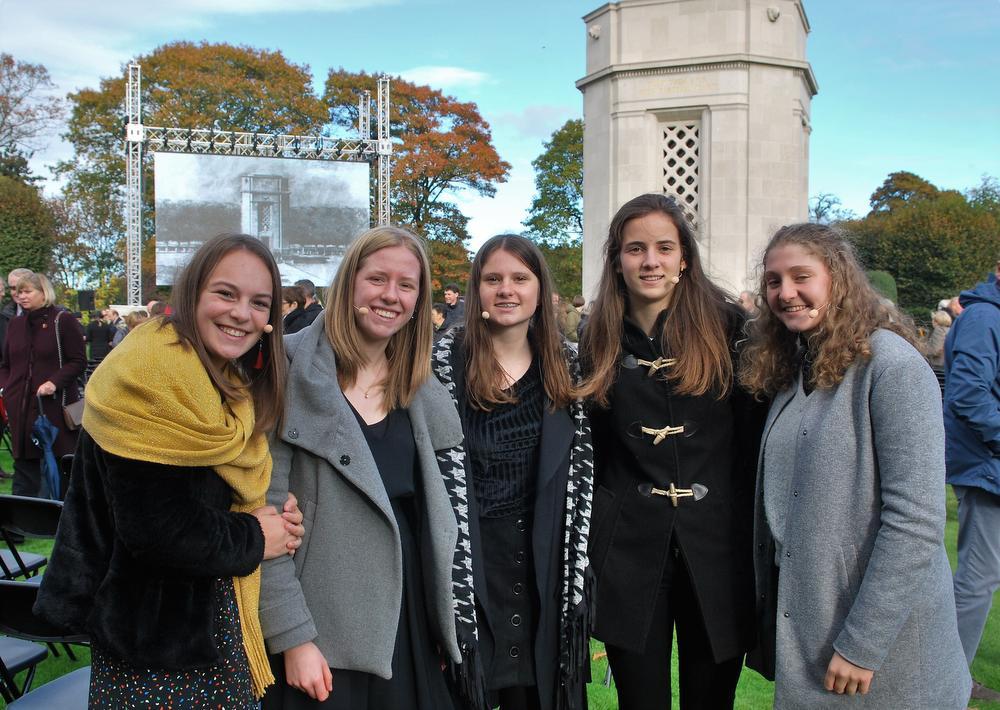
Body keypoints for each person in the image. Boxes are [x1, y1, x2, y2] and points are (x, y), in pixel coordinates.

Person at [34, 233, 305, 706]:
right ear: (192, 292)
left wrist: (274, 516)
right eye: (226, 293)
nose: (242, 313)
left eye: (260, 302)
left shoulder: (219, 376)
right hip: (156, 649)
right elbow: (157, 530)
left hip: (208, 629)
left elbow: (210, 491)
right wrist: (257, 536)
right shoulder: (150, 376)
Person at [739, 222, 971, 707]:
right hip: (811, 634)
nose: (786, 293)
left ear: (838, 278)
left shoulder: (893, 367)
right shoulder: (792, 369)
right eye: (774, 281)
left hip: (885, 652)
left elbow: (916, 521)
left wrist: (863, 643)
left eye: (802, 276)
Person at [260, 225, 482, 710]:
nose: (391, 295)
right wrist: (292, 638)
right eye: (377, 279)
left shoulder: (421, 390)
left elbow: (439, 523)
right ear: (349, 283)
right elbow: (267, 519)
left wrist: (442, 625)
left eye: (407, 285)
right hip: (321, 632)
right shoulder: (288, 370)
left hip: (408, 625)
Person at [578, 194, 759, 710]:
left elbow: (751, 439)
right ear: (617, 258)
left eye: (663, 247)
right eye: (635, 249)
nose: (650, 261)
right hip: (629, 550)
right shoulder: (597, 338)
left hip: (716, 548)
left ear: (684, 257)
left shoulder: (731, 331)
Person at [432, 234, 594, 710]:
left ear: (540, 290)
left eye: (520, 278)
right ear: (476, 289)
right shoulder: (442, 367)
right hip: (474, 560)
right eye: (493, 279)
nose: (507, 289)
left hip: (544, 560)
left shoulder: (568, 368)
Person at [944, 263, 1000, 702]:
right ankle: (950, 680)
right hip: (988, 469)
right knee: (979, 579)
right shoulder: (984, 317)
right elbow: (968, 395)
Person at [0, 272, 86, 498]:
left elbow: (77, 360)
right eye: (19, 292)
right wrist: (6, 388)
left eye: (28, 291)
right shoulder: (15, 325)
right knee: (24, 468)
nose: (22, 296)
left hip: (55, 407)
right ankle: (18, 526)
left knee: (60, 464)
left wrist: (54, 383)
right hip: (20, 406)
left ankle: (64, 519)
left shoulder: (63, 320)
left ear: (43, 293)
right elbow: (6, 364)